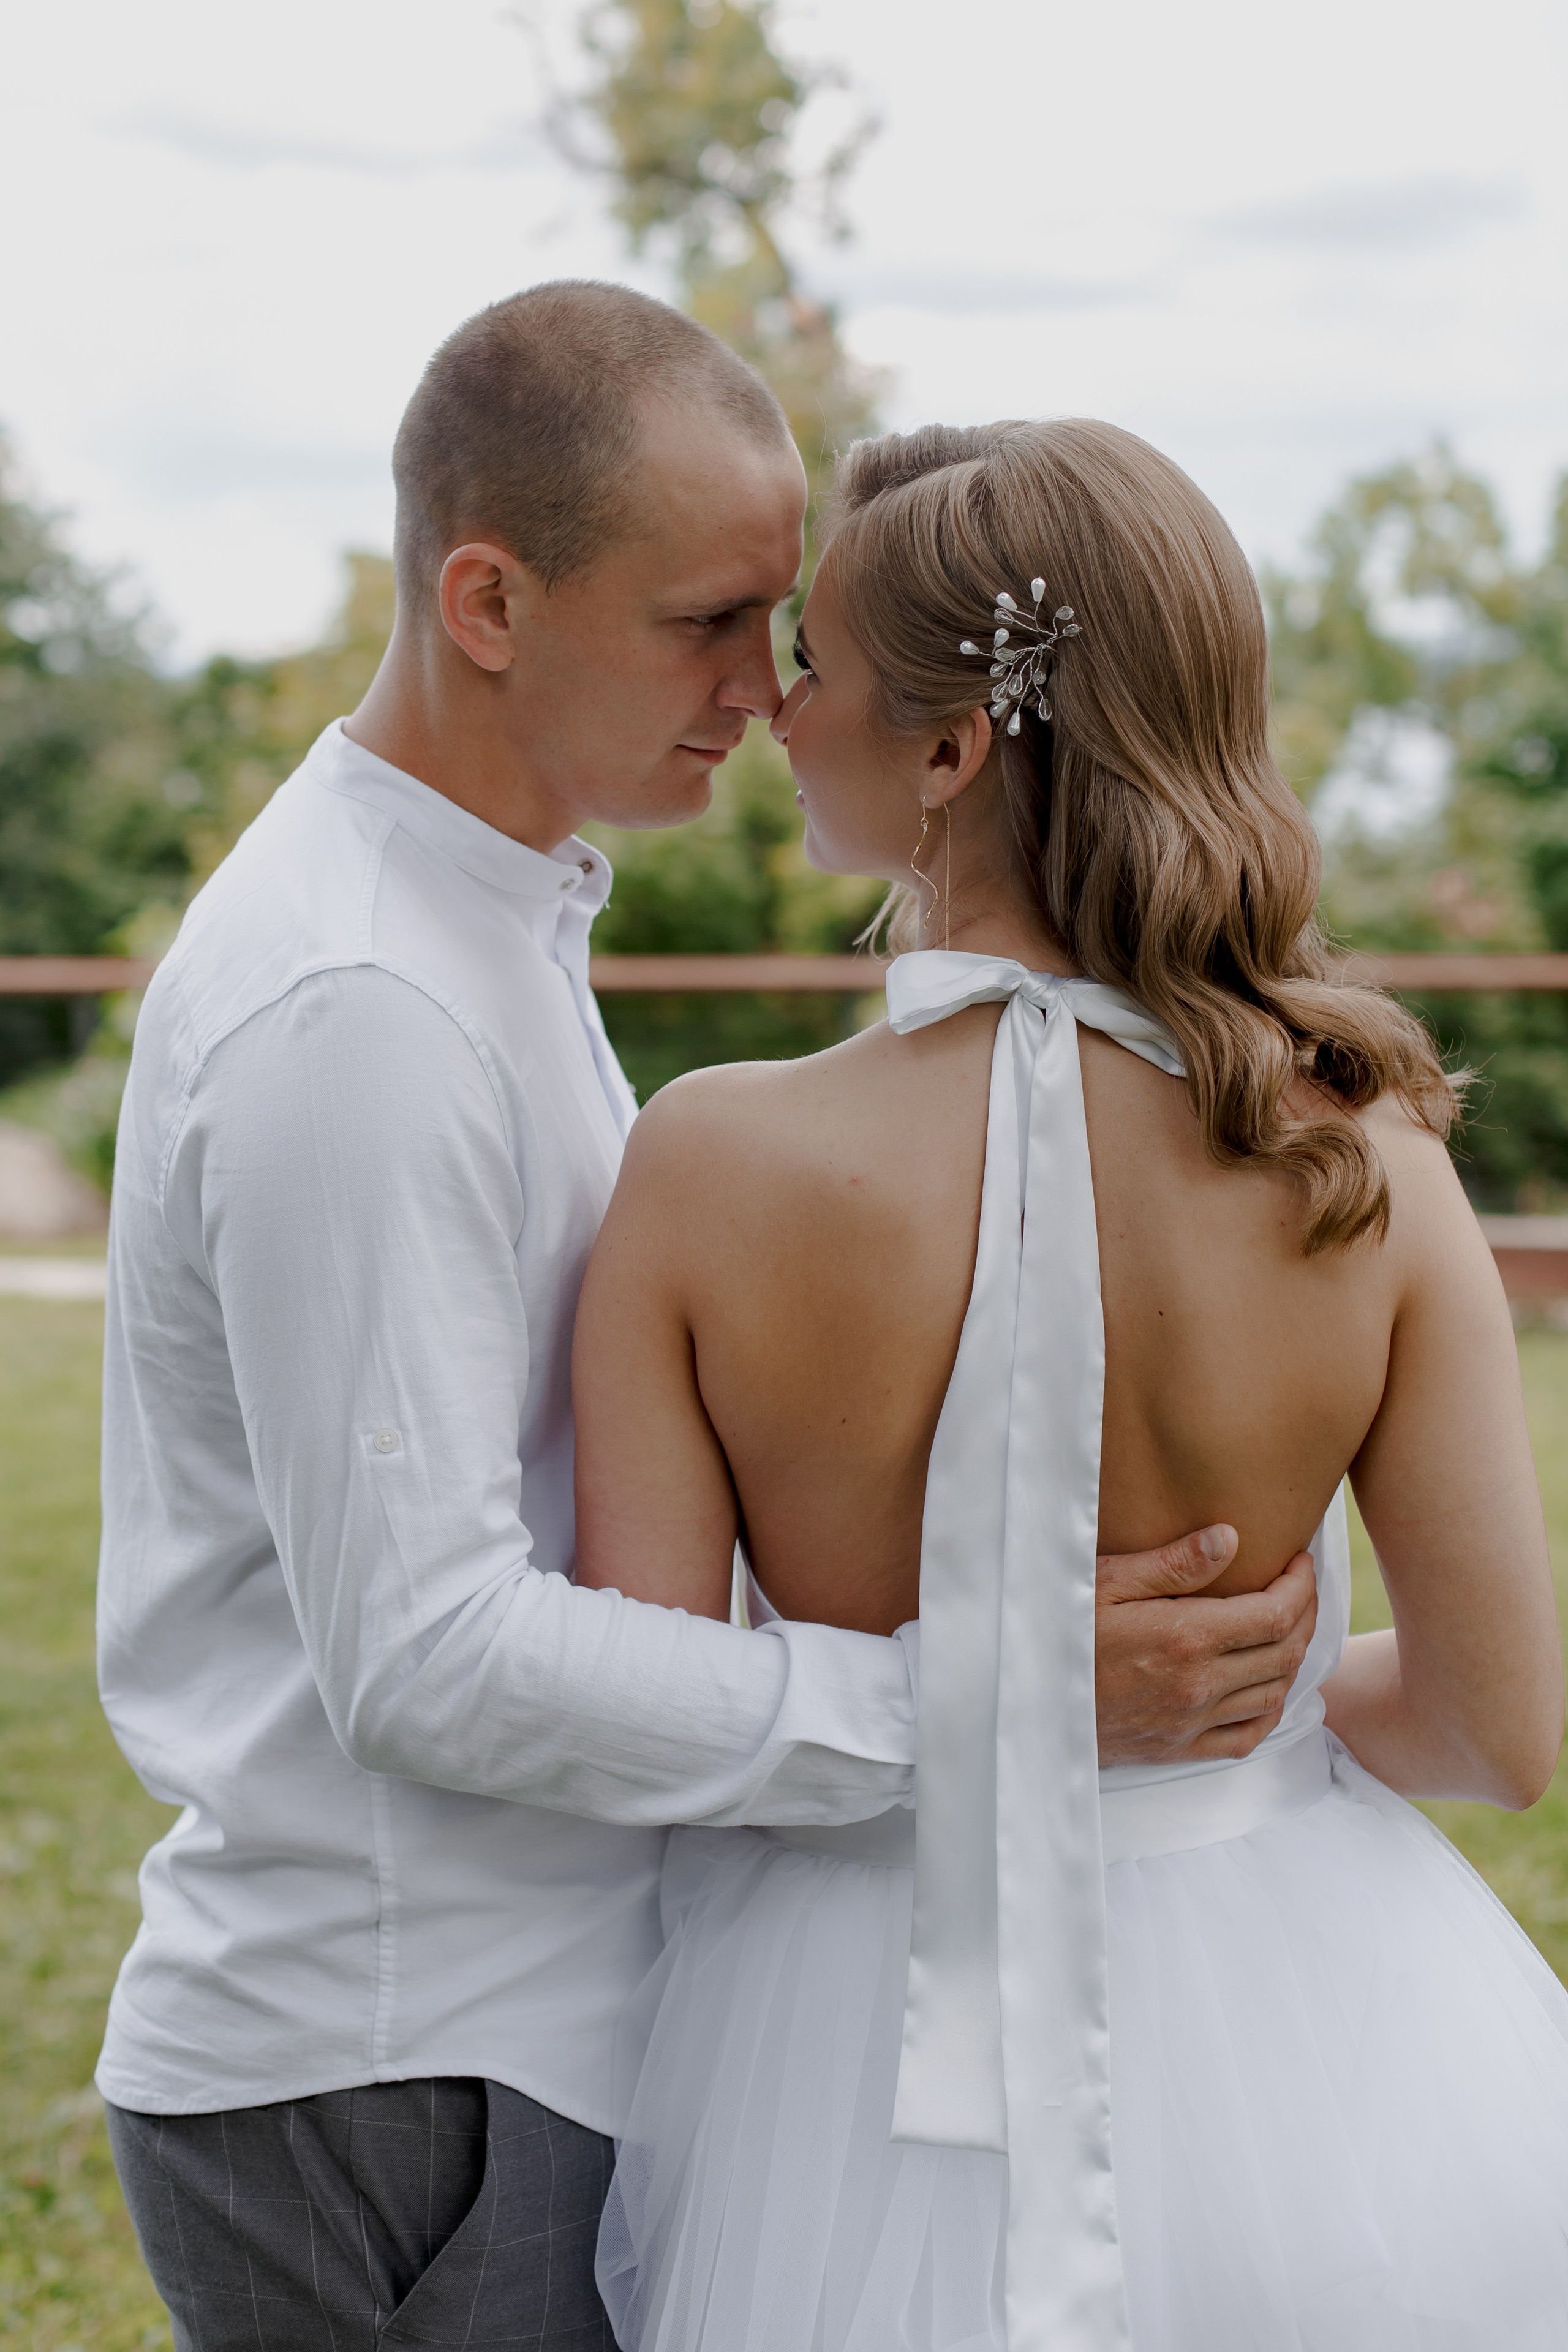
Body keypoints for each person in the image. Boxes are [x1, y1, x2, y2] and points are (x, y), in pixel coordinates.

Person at [93, 292, 1308, 2350]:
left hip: (515, 2026)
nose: (768, 689)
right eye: (707, 622)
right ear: (487, 598)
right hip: (404, 2064)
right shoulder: (361, 1013)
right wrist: (990, 1705)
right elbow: (431, 1659)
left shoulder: (487, 923)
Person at [574, 418, 1568, 2350]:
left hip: (853, 2063)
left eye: (821, 668)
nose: (779, 706)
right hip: (1330, 2050)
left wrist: (967, 1699)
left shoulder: (708, 1163)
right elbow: (1494, 1731)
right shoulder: (1365, 1154)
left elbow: (648, 1725)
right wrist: (1244, 1706)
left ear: (951, 753)